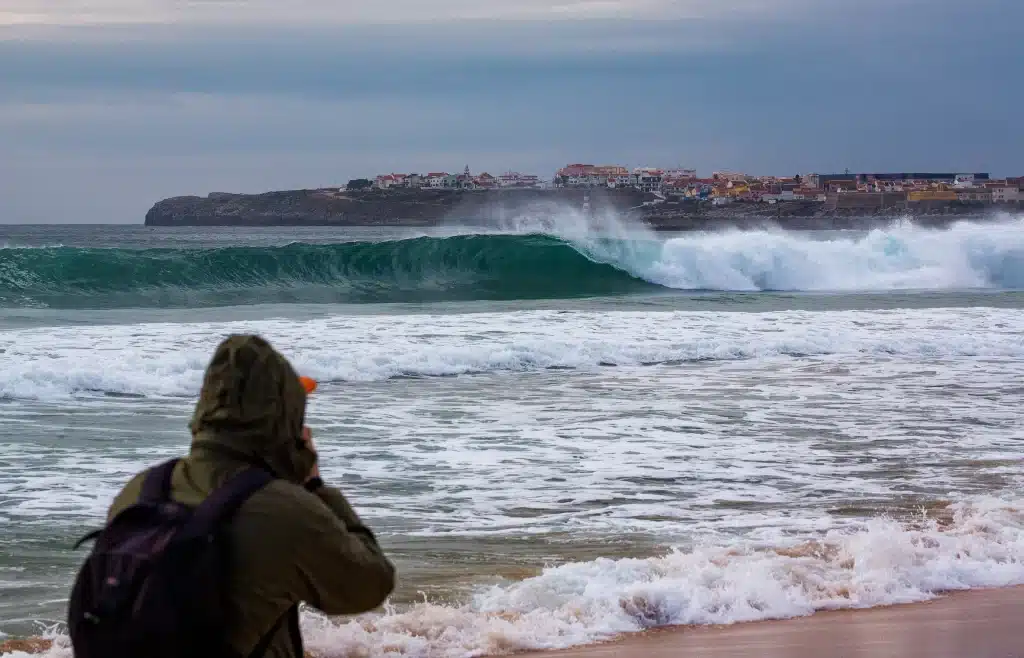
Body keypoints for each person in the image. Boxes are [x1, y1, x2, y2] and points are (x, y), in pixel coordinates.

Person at [102, 334, 395, 657]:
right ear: (283, 418)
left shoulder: (139, 491)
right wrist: (314, 484)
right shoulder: (284, 510)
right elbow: (369, 585)